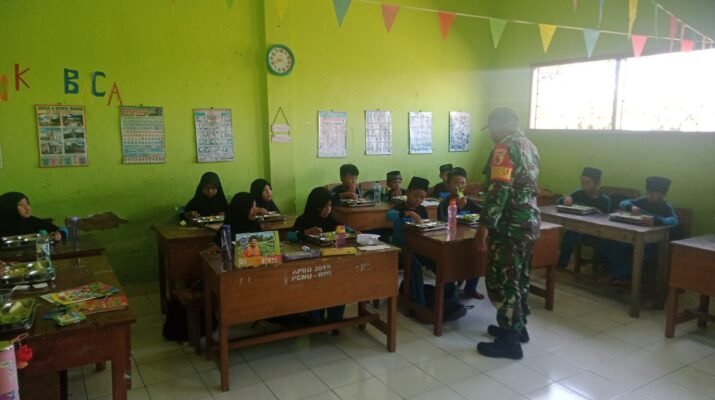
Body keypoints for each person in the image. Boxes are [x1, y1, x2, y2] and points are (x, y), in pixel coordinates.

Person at [475, 107, 540, 360]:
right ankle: (518, 328)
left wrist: (484, 226)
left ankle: (510, 342)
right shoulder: (529, 146)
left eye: (491, 129)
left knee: (504, 279)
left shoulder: (504, 148)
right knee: (520, 276)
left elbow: (499, 190)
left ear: (499, 126)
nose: (490, 134)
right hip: (529, 223)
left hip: (510, 226)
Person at [607, 176, 679, 283]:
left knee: (645, 254)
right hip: (637, 236)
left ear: (662, 195)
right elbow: (623, 203)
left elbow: (674, 220)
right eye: (648, 193)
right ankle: (620, 276)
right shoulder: (642, 201)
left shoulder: (665, 206)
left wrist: (657, 221)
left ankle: (620, 276)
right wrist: (631, 207)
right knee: (618, 245)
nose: (650, 196)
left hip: (654, 242)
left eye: (653, 194)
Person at [292, 187, 345, 326]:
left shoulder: (331, 221)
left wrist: (351, 232)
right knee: (315, 296)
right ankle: (315, 321)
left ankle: (334, 321)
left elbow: (344, 230)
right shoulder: (303, 220)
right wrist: (304, 233)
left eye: (330, 205)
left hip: (331, 267)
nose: (328, 209)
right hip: (311, 269)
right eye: (325, 206)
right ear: (316, 206)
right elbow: (288, 237)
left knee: (339, 287)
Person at [436, 167, 483, 299]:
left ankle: (470, 288)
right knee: (450, 262)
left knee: (477, 256)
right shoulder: (444, 204)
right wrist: (458, 208)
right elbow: (443, 222)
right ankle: (449, 290)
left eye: (463, 183)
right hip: (450, 242)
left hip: (468, 239)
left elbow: (482, 213)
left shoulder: (469, 202)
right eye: (456, 183)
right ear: (448, 185)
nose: (460, 186)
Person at [557, 167, 612, 269]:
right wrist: (566, 200)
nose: (583, 185)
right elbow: (560, 201)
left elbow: (606, 219)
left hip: (597, 231)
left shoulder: (605, 200)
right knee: (569, 235)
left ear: (597, 184)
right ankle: (562, 263)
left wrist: (597, 212)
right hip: (580, 229)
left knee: (605, 242)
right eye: (582, 182)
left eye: (587, 183)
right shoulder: (579, 193)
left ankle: (601, 267)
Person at [0, 192, 64, 241]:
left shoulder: (32, 221)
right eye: (20, 204)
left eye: (27, 203)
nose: (27, 207)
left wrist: (60, 234)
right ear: (9, 207)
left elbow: (61, 229)